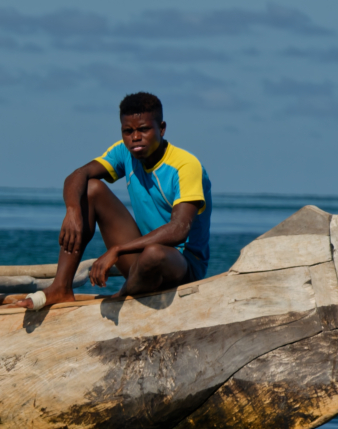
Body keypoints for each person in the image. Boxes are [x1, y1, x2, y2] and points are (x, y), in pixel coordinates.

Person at [36, 91, 211, 307]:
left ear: (162, 128)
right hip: (141, 261)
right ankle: (61, 287)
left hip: (182, 267)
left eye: (143, 130)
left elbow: (179, 230)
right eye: (128, 131)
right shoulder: (125, 152)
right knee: (90, 188)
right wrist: (72, 211)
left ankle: (122, 296)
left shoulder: (185, 165)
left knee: (154, 253)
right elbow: (78, 175)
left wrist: (118, 250)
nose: (135, 137)